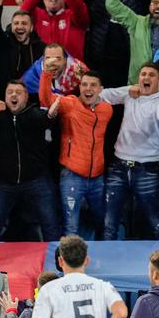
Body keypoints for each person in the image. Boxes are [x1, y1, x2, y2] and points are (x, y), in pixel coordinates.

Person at [0, 82, 61, 242]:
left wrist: (51, 115)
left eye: (18, 92)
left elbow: (45, 120)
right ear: (4, 97)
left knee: (50, 222)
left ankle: (56, 263)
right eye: (9, 92)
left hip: (35, 179)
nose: (13, 95)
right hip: (2, 181)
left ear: (25, 98)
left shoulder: (34, 114)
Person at [102, 64, 159, 240]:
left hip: (146, 169)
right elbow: (102, 95)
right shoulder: (131, 93)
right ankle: (108, 264)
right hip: (118, 166)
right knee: (109, 225)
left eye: (151, 75)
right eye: (143, 74)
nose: (146, 78)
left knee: (157, 224)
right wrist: (129, 89)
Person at [41, 68, 113, 238]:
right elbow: (46, 99)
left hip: (97, 178)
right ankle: (67, 264)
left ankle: (102, 260)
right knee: (71, 226)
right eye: (84, 84)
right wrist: (46, 75)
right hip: (72, 175)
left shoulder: (107, 110)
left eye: (93, 85)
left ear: (100, 89)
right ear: (79, 87)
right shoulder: (70, 104)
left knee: (103, 222)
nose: (88, 89)